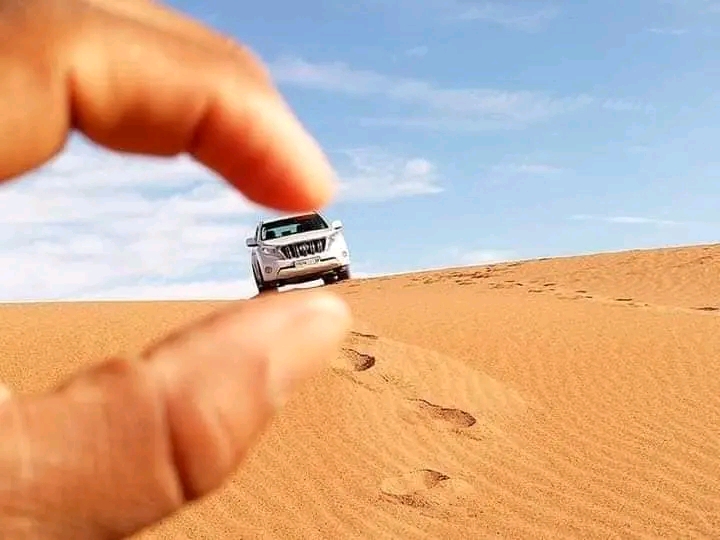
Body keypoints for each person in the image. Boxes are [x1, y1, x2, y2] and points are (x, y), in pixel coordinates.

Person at [0, 0, 352, 538]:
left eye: (310, 235)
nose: (296, 240)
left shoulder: (317, 230)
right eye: (278, 240)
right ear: (261, 251)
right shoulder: (265, 246)